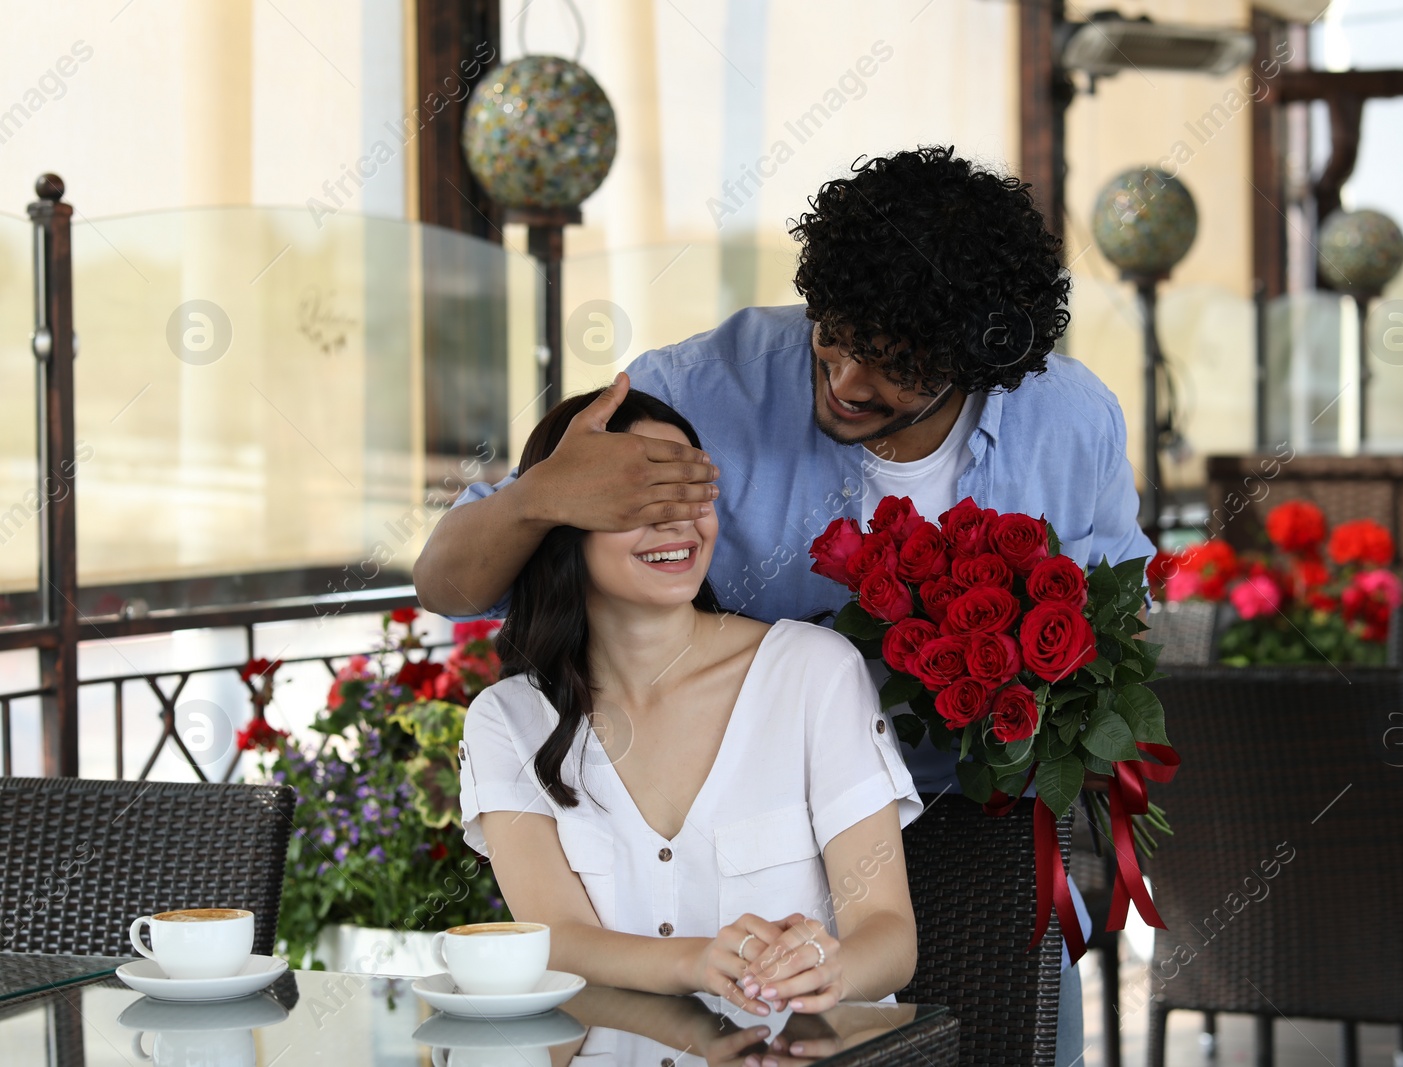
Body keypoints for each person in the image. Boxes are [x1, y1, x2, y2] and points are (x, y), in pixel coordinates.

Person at [422, 145, 1155, 1065]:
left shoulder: (1071, 422)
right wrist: (541, 497)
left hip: (983, 839)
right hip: (772, 847)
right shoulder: (702, 388)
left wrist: (1073, 716)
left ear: (979, 361)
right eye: (834, 333)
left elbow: (1118, 617)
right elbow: (449, 585)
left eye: (894, 365)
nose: (845, 381)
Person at [458, 389, 922, 1040]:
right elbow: (558, 940)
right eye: (643, 496)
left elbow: (889, 932)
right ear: (560, 519)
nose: (678, 521)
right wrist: (697, 961)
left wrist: (831, 967)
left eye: (692, 490)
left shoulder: (816, 673)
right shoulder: (506, 720)